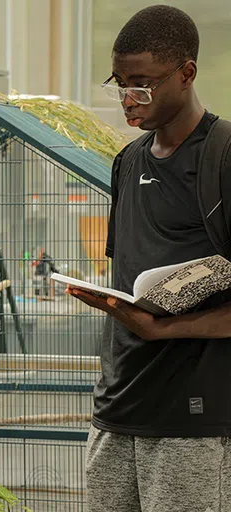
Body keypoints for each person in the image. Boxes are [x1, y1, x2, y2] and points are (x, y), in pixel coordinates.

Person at [66, 5, 231, 512]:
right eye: (118, 83)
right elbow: (130, 274)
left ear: (186, 73)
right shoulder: (128, 160)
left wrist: (165, 330)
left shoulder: (223, 157)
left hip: (192, 423)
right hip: (116, 413)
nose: (127, 99)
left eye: (142, 84)